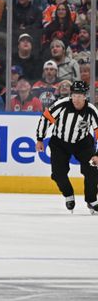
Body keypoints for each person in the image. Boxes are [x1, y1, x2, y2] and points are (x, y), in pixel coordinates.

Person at [36, 80, 98, 214]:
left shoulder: (91, 111)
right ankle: (68, 194)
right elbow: (46, 118)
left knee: (92, 171)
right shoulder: (62, 105)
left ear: (85, 96)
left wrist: (97, 154)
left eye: (80, 95)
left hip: (83, 144)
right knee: (58, 174)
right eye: (74, 95)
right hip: (60, 143)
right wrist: (40, 138)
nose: (76, 98)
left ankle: (92, 200)